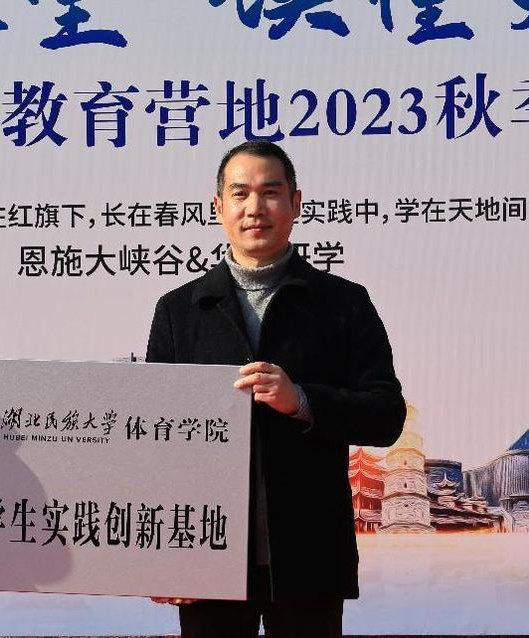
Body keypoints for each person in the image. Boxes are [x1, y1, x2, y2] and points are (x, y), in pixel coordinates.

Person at [146, 142, 406, 638]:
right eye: (240, 193)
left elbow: (386, 415)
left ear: (295, 203)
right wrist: (165, 556)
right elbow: (158, 441)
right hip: (207, 552)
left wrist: (302, 401)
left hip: (310, 554)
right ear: (218, 206)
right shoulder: (179, 310)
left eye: (270, 192)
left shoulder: (343, 303)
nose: (255, 207)